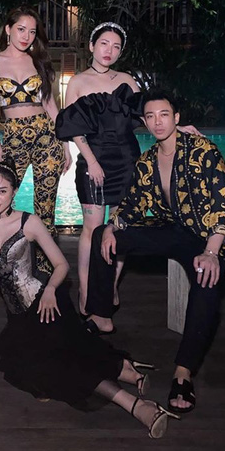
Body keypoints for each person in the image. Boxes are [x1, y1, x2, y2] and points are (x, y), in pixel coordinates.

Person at [0, 159, 179, 439]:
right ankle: (126, 370)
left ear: (14, 192)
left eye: (2, 191)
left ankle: (137, 406)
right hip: (18, 319)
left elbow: (61, 265)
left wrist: (49, 290)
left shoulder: (28, 222)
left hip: (47, 304)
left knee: (63, 364)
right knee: (36, 368)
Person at [85, 89, 225, 414]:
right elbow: (132, 204)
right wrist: (113, 225)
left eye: (164, 115)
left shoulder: (203, 151)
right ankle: (100, 315)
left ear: (177, 118)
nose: (158, 122)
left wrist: (212, 252)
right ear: (144, 122)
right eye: (151, 116)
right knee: (103, 233)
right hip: (172, 230)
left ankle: (183, 372)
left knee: (206, 276)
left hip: (207, 238)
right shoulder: (147, 160)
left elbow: (224, 206)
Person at [56, 22, 200, 321]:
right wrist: (91, 161)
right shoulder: (78, 82)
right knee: (92, 228)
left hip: (126, 159)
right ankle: (86, 289)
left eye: (116, 46)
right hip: (93, 159)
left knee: (120, 227)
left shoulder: (127, 80)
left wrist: (177, 127)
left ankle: (109, 285)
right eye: (104, 44)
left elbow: (148, 115)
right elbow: (73, 127)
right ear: (92, 46)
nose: (109, 51)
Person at [0, 5, 71, 310]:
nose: (26, 36)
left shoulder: (38, 60)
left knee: (46, 210)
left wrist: (65, 144)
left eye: (32, 31)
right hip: (12, 135)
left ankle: (45, 282)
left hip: (46, 136)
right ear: (8, 29)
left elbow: (50, 103)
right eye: (21, 29)